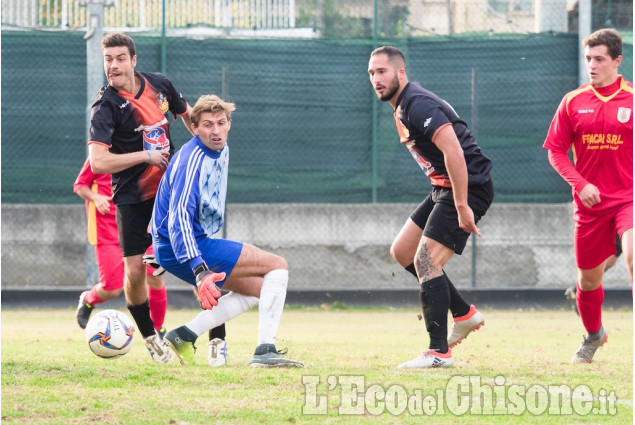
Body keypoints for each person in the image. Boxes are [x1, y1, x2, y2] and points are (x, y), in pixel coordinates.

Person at [87, 32, 228, 364]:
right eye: (108, 59)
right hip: (132, 197)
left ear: (133, 61)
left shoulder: (159, 84)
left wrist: (210, 150)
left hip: (173, 191)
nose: (114, 65)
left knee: (198, 260)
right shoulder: (105, 106)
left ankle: (216, 341)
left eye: (120, 58)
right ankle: (152, 338)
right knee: (134, 271)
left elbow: (191, 120)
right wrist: (143, 156)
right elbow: (98, 162)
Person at [151, 94, 303, 368]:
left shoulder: (221, 150)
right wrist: (199, 269)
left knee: (261, 288)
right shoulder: (192, 160)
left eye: (221, 123)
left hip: (182, 245)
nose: (216, 130)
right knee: (277, 267)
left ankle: (184, 335)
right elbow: (179, 218)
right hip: (184, 245)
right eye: (208, 125)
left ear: (229, 124)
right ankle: (264, 351)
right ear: (194, 128)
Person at [368, 46, 494, 369]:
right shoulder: (401, 107)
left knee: (426, 260)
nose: (376, 79)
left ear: (400, 73)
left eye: (382, 71)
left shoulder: (416, 103)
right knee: (404, 252)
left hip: (468, 187)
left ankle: (438, 352)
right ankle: (464, 313)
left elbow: (454, 149)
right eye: (371, 73)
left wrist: (463, 205)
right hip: (443, 187)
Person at [543, 28, 633, 364]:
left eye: (599, 59)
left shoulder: (632, 100)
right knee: (588, 281)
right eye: (588, 59)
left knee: (632, 257)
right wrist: (581, 184)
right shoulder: (573, 101)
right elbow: (555, 150)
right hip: (590, 206)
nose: (591, 66)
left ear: (617, 61)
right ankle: (594, 335)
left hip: (629, 199)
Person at [74, 157, 168, 337]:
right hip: (107, 232)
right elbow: (80, 185)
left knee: (154, 273)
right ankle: (88, 299)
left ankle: (157, 329)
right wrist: (96, 197)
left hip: (138, 228)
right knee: (113, 288)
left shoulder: (143, 154)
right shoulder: (100, 155)